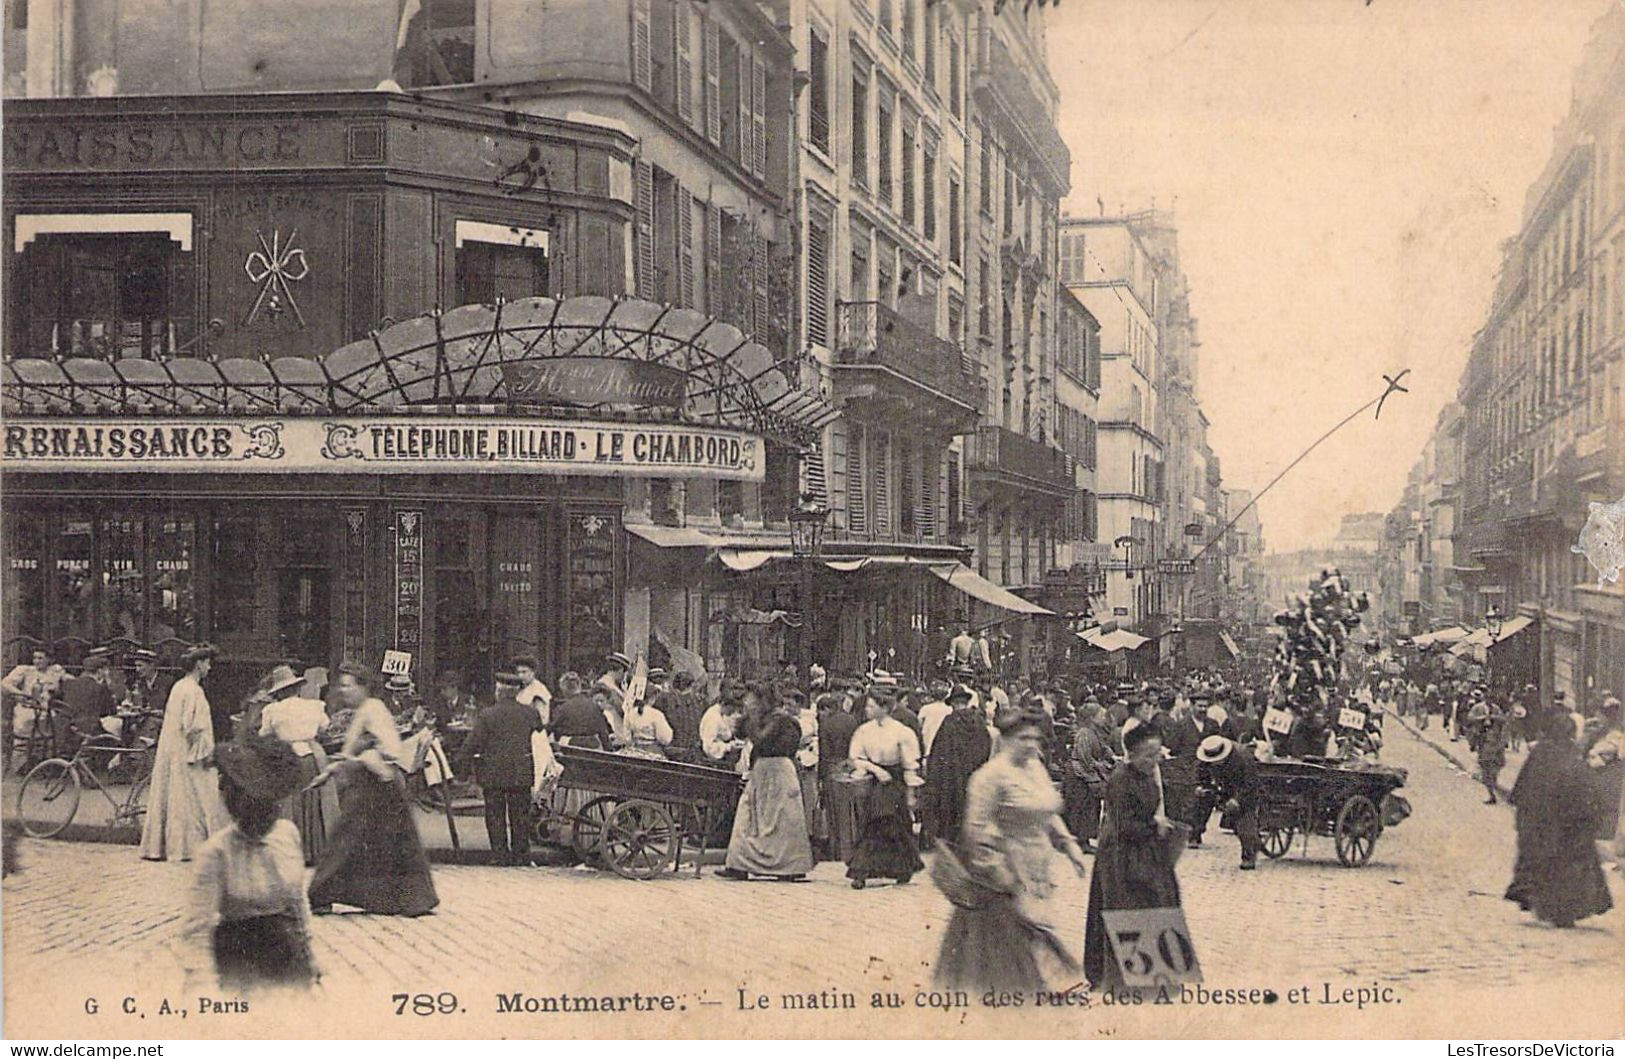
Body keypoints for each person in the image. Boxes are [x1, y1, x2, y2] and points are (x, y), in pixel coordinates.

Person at [934, 708, 1087, 992]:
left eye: (1035, 739)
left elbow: (1048, 810)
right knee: (1009, 938)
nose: (1030, 745)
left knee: (1034, 926)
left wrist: (1068, 844)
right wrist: (997, 871)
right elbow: (976, 829)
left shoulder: (1035, 767)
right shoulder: (990, 776)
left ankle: (1033, 985)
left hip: (1037, 861)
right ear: (1005, 739)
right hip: (1006, 865)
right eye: (1023, 738)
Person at [182, 734, 319, 993]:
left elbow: (298, 902)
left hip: (289, 955)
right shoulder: (217, 853)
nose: (268, 816)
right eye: (257, 807)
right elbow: (196, 930)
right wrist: (201, 987)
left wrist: (310, 956)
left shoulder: (287, 835)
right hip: (240, 959)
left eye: (272, 806)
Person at [308, 664, 439, 915]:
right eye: (341, 685)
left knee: (346, 839)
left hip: (376, 787)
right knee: (380, 844)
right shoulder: (362, 710)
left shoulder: (374, 709)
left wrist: (364, 757)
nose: (342, 690)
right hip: (370, 783)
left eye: (348, 685)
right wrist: (331, 771)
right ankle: (399, 898)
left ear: (363, 686)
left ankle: (319, 894)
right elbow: (352, 753)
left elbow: (390, 749)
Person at [1082, 723, 1185, 991]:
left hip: (1146, 851)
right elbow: (1123, 826)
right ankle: (1125, 980)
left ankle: (1157, 974)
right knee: (1129, 908)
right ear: (1132, 755)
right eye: (1148, 756)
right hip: (1121, 857)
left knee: (1161, 902)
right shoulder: (1120, 780)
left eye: (1156, 755)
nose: (1154, 762)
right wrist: (1155, 826)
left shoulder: (1147, 776)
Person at [1504, 711, 1613, 928]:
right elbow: (1586, 791)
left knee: (1540, 863)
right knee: (1567, 867)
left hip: (1538, 825)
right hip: (1567, 827)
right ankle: (1564, 909)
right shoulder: (1571, 756)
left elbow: (1521, 790)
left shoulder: (1539, 754)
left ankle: (1544, 904)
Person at [141, 644, 227, 862]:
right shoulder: (193, 690)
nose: (209, 667)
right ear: (199, 664)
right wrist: (205, 752)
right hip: (189, 752)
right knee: (195, 797)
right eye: (207, 663)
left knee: (175, 795)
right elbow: (193, 726)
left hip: (174, 749)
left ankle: (169, 845)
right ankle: (189, 847)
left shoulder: (179, 687)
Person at [719, 699, 814, 881]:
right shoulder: (780, 721)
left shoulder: (778, 721)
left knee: (766, 818)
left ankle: (775, 867)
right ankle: (779, 867)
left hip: (773, 769)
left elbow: (761, 739)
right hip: (771, 770)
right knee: (765, 817)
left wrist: (751, 722)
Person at [460, 670, 544, 866]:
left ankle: (500, 855)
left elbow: (472, 743)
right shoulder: (531, 713)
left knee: (495, 814)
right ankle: (521, 855)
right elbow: (540, 739)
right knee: (520, 815)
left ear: (499, 691)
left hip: (493, 772)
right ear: (515, 692)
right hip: (520, 772)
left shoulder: (488, 715)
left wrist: (461, 765)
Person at [845, 687, 925, 889]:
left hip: (895, 782)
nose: (867, 710)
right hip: (874, 781)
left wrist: (911, 794)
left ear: (884, 707)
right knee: (873, 823)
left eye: (871, 706)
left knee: (892, 823)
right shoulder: (864, 730)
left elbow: (910, 765)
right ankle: (862, 871)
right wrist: (873, 769)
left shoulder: (902, 732)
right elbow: (855, 757)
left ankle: (900, 868)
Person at [256, 663, 336, 866]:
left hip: (288, 757)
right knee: (312, 801)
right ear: (296, 688)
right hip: (311, 756)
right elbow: (326, 728)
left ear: (279, 692)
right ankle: (314, 850)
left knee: (290, 802)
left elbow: (263, 734)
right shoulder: (313, 706)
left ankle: (291, 850)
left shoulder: (272, 710)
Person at [920, 684, 994, 844]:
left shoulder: (950, 722)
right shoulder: (978, 721)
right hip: (973, 774)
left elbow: (939, 751)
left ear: (953, 703)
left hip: (951, 778)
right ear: (966, 702)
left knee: (951, 810)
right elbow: (986, 746)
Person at [1190, 735, 1261, 868]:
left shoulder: (1242, 758)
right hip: (1222, 785)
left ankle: (1249, 856)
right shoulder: (1205, 756)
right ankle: (1195, 831)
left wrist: (1237, 799)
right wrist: (1199, 786)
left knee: (1244, 820)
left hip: (1243, 788)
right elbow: (1200, 772)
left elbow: (1250, 783)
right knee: (1202, 801)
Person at [1064, 702, 1115, 852]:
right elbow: (1084, 758)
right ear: (1092, 718)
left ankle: (1084, 839)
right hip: (1080, 774)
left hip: (1087, 772)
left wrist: (1110, 756)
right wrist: (1099, 766)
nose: (1104, 718)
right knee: (1083, 808)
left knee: (1091, 807)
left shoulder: (1094, 732)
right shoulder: (1084, 734)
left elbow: (1103, 748)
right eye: (1101, 715)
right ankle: (1082, 841)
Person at [57, 647, 116, 752]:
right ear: (100, 671)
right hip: (87, 732)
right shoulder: (99, 688)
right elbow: (110, 711)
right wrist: (107, 684)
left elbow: (58, 704)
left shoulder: (68, 684)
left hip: (65, 731)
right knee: (117, 743)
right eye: (105, 669)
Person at [551, 674, 613, 749]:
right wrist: (610, 750)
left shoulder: (562, 709)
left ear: (564, 690)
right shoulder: (594, 707)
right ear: (579, 687)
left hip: (571, 750)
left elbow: (553, 730)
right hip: (593, 749)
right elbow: (603, 733)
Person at [623, 690, 675, 757]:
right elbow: (665, 739)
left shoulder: (630, 712)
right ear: (652, 698)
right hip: (652, 752)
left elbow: (627, 737)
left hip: (634, 751)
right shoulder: (656, 714)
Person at [1477, 698, 1510, 805]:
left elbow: (1504, 732)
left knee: (1492, 773)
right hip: (1486, 747)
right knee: (1486, 773)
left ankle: (1493, 794)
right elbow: (1471, 719)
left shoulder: (1499, 718)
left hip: (1495, 748)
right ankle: (1492, 794)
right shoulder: (1479, 708)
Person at [917, 680, 953, 759]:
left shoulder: (925, 709)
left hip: (927, 745)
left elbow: (919, 726)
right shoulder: (950, 710)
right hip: (944, 748)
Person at [513, 656, 552, 727]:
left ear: (533, 672)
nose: (520, 675)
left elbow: (543, 718)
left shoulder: (539, 690)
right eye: (518, 672)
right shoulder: (519, 688)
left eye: (524, 672)